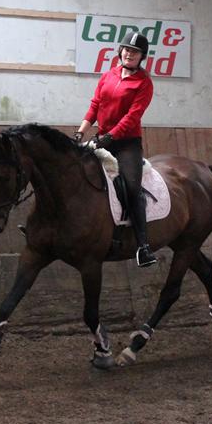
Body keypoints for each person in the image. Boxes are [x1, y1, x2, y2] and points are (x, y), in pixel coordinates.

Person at [74, 31, 157, 267]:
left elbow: (133, 117)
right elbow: (95, 104)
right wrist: (81, 131)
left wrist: (109, 138)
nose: (129, 54)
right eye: (127, 50)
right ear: (120, 51)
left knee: (132, 187)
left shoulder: (144, 83)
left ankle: (143, 246)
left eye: (135, 52)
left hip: (126, 144)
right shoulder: (108, 75)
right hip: (102, 137)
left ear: (142, 57)